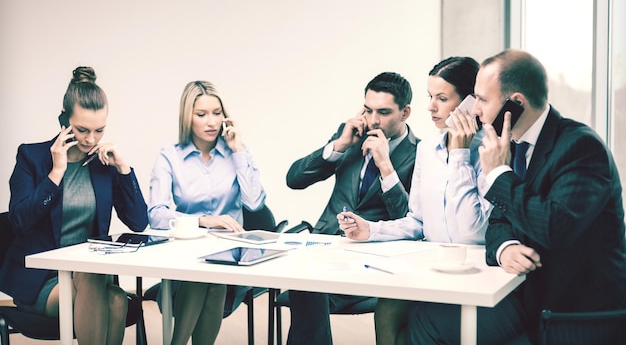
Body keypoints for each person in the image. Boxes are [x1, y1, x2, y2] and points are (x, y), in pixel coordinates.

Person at [408, 49, 626, 344]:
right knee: (426, 319)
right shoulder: (512, 145)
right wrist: (505, 248)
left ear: (516, 103)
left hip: (575, 310)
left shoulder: (581, 147)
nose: (474, 110)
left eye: (483, 100)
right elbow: (497, 223)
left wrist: (498, 173)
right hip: (529, 295)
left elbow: (553, 228)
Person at [337, 56, 491, 345]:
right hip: (431, 268)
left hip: (473, 273)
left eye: (442, 98)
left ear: (471, 102)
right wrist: (370, 229)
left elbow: (473, 232)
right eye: (430, 96)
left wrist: (459, 154)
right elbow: (417, 221)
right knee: (386, 310)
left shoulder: (491, 149)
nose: (431, 106)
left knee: (414, 328)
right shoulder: (427, 149)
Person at [0, 67, 148, 344]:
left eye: (99, 130)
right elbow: (20, 221)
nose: (91, 139)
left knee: (116, 299)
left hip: (90, 278)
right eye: (82, 130)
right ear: (63, 120)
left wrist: (124, 169)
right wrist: (55, 174)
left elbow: (139, 222)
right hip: (41, 280)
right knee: (104, 288)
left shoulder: (104, 166)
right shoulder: (31, 157)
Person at [285, 71, 419, 345]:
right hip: (326, 247)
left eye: (383, 112)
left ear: (405, 113)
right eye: (368, 110)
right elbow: (294, 180)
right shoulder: (350, 136)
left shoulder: (419, 153)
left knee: (309, 284)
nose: (373, 120)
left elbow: (409, 220)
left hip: (374, 258)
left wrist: (386, 166)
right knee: (306, 280)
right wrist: (338, 145)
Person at [148, 80, 267, 345]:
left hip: (231, 257)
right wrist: (201, 221)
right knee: (201, 274)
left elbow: (254, 202)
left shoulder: (238, 153)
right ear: (187, 117)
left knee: (211, 274)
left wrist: (238, 151)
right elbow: (156, 214)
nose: (212, 121)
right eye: (202, 114)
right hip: (186, 256)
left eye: (217, 113)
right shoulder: (170, 156)